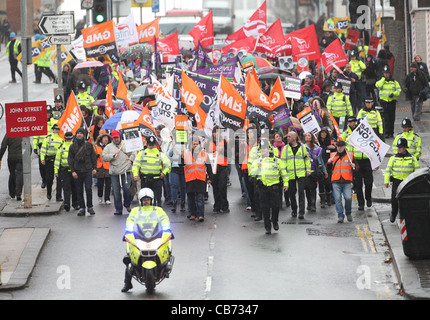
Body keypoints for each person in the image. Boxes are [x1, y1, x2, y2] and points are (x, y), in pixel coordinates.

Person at [121, 188, 172, 293]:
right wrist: (129, 228)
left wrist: (166, 226)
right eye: (144, 200)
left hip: (155, 234)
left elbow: (164, 218)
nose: (146, 201)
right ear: (140, 201)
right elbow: (130, 219)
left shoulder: (158, 210)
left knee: (167, 242)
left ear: (151, 200)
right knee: (129, 258)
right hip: (140, 235)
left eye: (148, 199)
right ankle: (127, 283)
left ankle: (165, 262)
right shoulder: (135, 210)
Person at [253, 139, 288, 234]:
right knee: (265, 208)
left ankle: (275, 221)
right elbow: (252, 173)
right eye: (262, 149)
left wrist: (285, 184)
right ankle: (267, 227)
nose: (264, 151)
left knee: (276, 206)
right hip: (263, 187)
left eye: (266, 149)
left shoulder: (277, 160)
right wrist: (258, 168)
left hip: (274, 187)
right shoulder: (258, 161)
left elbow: (283, 172)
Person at [385, 138, 420, 223]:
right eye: (398, 147)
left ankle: (407, 215)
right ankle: (393, 214)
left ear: (405, 148)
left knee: (407, 200)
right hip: (396, 182)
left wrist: (417, 183)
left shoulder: (412, 158)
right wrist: (386, 181)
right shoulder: (393, 158)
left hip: (408, 182)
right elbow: (388, 170)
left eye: (400, 147)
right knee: (394, 199)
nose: (399, 149)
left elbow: (417, 171)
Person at [102, 130, 135, 215]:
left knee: (127, 189)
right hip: (114, 172)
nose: (116, 139)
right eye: (114, 138)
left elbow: (133, 153)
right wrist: (112, 155)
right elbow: (104, 157)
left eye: (117, 137)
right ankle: (118, 209)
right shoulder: (108, 147)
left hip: (125, 170)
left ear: (120, 137)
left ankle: (127, 204)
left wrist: (130, 160)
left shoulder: (126, 144)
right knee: (116, 191)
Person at [132, 135, 171, 207]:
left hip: (157, 179)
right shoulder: (142, 153)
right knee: (145, 200)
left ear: (155, 144)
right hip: (145, 179)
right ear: (146, 144)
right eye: (149, 144)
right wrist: (135, 174)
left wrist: (164, 173)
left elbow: (168, 165)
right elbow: (136, 165)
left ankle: (157, 215)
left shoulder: (160, 154)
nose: (151, 146)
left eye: (152, 145)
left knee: (157, 200)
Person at [281, 131, 311, 219]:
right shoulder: (285, 148)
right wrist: (283, 173)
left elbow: (307, 159)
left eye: (289, 137)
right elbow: (282, 162)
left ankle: (301, 212)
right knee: (291, 193)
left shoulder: (302, 147)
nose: (287, 138)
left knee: (301, 193)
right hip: (290, 174)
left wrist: (308, 170)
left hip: (301, 174)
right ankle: (294, 209)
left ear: (294, 138)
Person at [68, 128, 98, 216]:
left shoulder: (88, 145)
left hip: (88, 170)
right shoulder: (72, 146)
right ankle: (82, 208)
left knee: (88, 189)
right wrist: (73, 171)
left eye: (81, 133)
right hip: (77, 171)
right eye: (78, 133)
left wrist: (94, 168)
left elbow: (93, 157)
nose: (79, 135)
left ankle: (90, 207)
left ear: (84, 135)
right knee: (79, 190)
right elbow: (70, 160)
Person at [327, 140, 357, 223]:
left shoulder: (350, 155)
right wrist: (329, 163)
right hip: (336, 181)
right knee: (337, 199)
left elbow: (356, 168)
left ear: (344, 147)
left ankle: (348, 212)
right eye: (338, 147)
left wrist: (354, 166)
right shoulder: (333, 155)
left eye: (341, 147)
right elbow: (329, 169)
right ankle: (340, 215)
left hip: (347, 181)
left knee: (348, 198)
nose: (339, 148)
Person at [183, 137, 213, 221]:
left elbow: (209, 166)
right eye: (193, 144)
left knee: (200, 198)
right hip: (190, 179)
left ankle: (200, 215)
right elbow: (181, 164)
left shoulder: (204, 153)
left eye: (196, 144)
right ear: (190, 144)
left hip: (200, 178)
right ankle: (192, 214)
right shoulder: (186, 153)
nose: (195, 146)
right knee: (190, 198)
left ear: (199, 145)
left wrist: (210, 177)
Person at [54, 131, 78, 212]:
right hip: (64, 170)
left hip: (74, 170)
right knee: (66, 187)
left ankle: (75, 203)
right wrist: (56, 171)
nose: (68, 140)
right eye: (67, 139)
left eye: (69, 139)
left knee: (75, 187)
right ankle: (67, 204)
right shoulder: (61, 147)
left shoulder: (76, 146)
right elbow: (57, 160)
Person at [208, 126, 230, 214]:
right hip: (213, 167)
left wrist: (222, 150)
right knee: (215, 187)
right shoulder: (208, 143)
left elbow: (229, 154)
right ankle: (217, 205)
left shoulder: (224, 142)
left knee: (222, 187)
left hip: (222, 167)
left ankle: (224, 206)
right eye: (215, 132)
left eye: (218, 132)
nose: (216, 134)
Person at [376, 65, 402, 138]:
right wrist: (383, 79)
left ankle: (391, 132)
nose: (386, 75)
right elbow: (378, 86)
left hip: (391, 102)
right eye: (384, 73)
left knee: (392, 118)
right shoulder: (381, 81)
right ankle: (386, 133)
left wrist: (394, 94)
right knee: (385, 118)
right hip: (383, 102)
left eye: (387, 73)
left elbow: (398, 90)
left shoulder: (394, 82)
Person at [304, 132, 327, 212]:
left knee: (313, 188)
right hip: (306, 171)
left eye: (309, 135)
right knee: (307, 188)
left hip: (314, 171)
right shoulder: (302, 148)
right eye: (306, 135)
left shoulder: (318, 149)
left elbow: (321, 161)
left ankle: (313, 204)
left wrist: (325, 171)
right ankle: (309, 203)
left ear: (312, 138)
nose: (307, 137)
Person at [40, 124, 64, 201]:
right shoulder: (48, 138)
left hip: (58, 161)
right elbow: (43, 149)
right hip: (49, 161)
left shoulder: (62, 139)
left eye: (58, 129)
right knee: (49, 178)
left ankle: (58, 196)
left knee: (59, 179)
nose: (56, 131)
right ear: (53, 130)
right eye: (55, 129)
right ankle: (49, 193)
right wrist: (42, 159)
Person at [167, 130, 187, 213]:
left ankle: (183, 203)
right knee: (174, 185)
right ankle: (174, 203)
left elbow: (189, 154)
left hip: (184, 167)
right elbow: (168, 155)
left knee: (183, 186)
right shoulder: (171, 143)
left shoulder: (186, 143)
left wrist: (182, 153)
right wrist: (173, 147)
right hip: (174, 167)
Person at [0, 134, 23, 201]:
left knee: (12, 173)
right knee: (19, 174)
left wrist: (0, 157)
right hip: (21, 158)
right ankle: (18, 194)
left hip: (11, 158)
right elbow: (29, 146)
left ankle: (12, 193)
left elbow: (3, 146)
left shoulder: (9, 132)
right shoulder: (22, 131)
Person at [317, 127, 336, 207]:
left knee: (328, 183)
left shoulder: (330, 144)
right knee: (321, 183)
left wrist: (334, 148)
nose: (323, 134)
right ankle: (322, 200)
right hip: (320, 166)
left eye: (325, 133)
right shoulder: (318, 145)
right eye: (322, 133)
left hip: (328, 166)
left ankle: (329, 199)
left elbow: (337, 153)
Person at [95, 133, 112, 205]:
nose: (106, 139)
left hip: (108, 167)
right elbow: (93, 156)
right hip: (100, 168)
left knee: (108, 184)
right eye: (104, 138)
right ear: (101, 139)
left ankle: (107, 199)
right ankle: (100, 196)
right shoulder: (96, 147)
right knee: (100, 184)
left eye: (107, 138)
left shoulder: (110, 147)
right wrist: (95, 155)